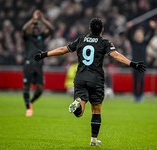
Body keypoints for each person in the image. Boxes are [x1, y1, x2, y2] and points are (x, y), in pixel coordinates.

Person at [34, 18, 146, 146]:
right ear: (102, 30)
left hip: (81, 78)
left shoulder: (81, 39)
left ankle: (77, 106)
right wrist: (132, 64)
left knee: (80, 113)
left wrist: (45, 54)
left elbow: (63, 50)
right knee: (96, 110)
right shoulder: (104, 42)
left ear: (89, 29)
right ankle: (93, 140)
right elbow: (116, 55)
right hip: (96, 80)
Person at [22, 10, 54, 117]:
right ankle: (28, 109)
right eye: (33, 28)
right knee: (26, 86)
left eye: (37, 27)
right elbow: (24, 29)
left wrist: (42, 19)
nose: (35, 29)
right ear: (31, 29)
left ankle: (30, 102)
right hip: (29, 63)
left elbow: (51, 29)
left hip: (39, 65)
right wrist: (33, 19)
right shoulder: (27, 37)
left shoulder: (41, 36)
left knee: (40, 90)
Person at [126, 20, 156, 102]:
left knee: (142, 80)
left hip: (142, 64)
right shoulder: (133, 43)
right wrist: (129, 28)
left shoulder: (144, 43)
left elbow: (151, 36)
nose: (139, 36)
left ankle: (140, 95)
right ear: (136, 36)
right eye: (138, 35)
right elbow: (128, 36)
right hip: (134, 64)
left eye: (140, 35)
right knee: (135, 81)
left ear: (143, 36)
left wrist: (152, 28)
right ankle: (136, 96)